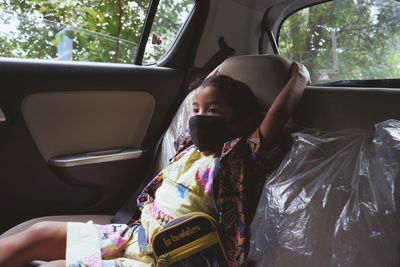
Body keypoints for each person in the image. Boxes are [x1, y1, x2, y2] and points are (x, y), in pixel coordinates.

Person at [0, 62, 310, 267]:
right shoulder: (188, 150)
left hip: (170, 256)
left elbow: (273, 122)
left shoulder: (235, 160)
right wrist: (215, 76)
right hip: (136, 235)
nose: (200, 117)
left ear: (239, 121)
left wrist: (300, 78)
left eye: (213, 111)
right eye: (196, 109)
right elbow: (200, 99)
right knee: (38, 235)